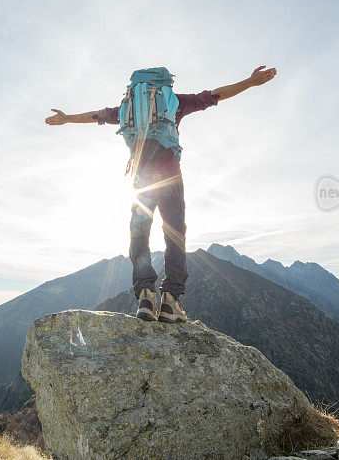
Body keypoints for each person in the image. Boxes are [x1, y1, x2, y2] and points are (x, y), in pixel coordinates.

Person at [45, 65, 277, 322]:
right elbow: (215, 95)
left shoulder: (125, 110)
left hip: (141, 182)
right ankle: (171, 301)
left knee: (140, 232)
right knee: (174, 233)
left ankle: (145, 295)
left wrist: (66, 118)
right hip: (170, 178)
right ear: (165, 85)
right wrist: (249, 82)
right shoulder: (174, 102)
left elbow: (95, 116)